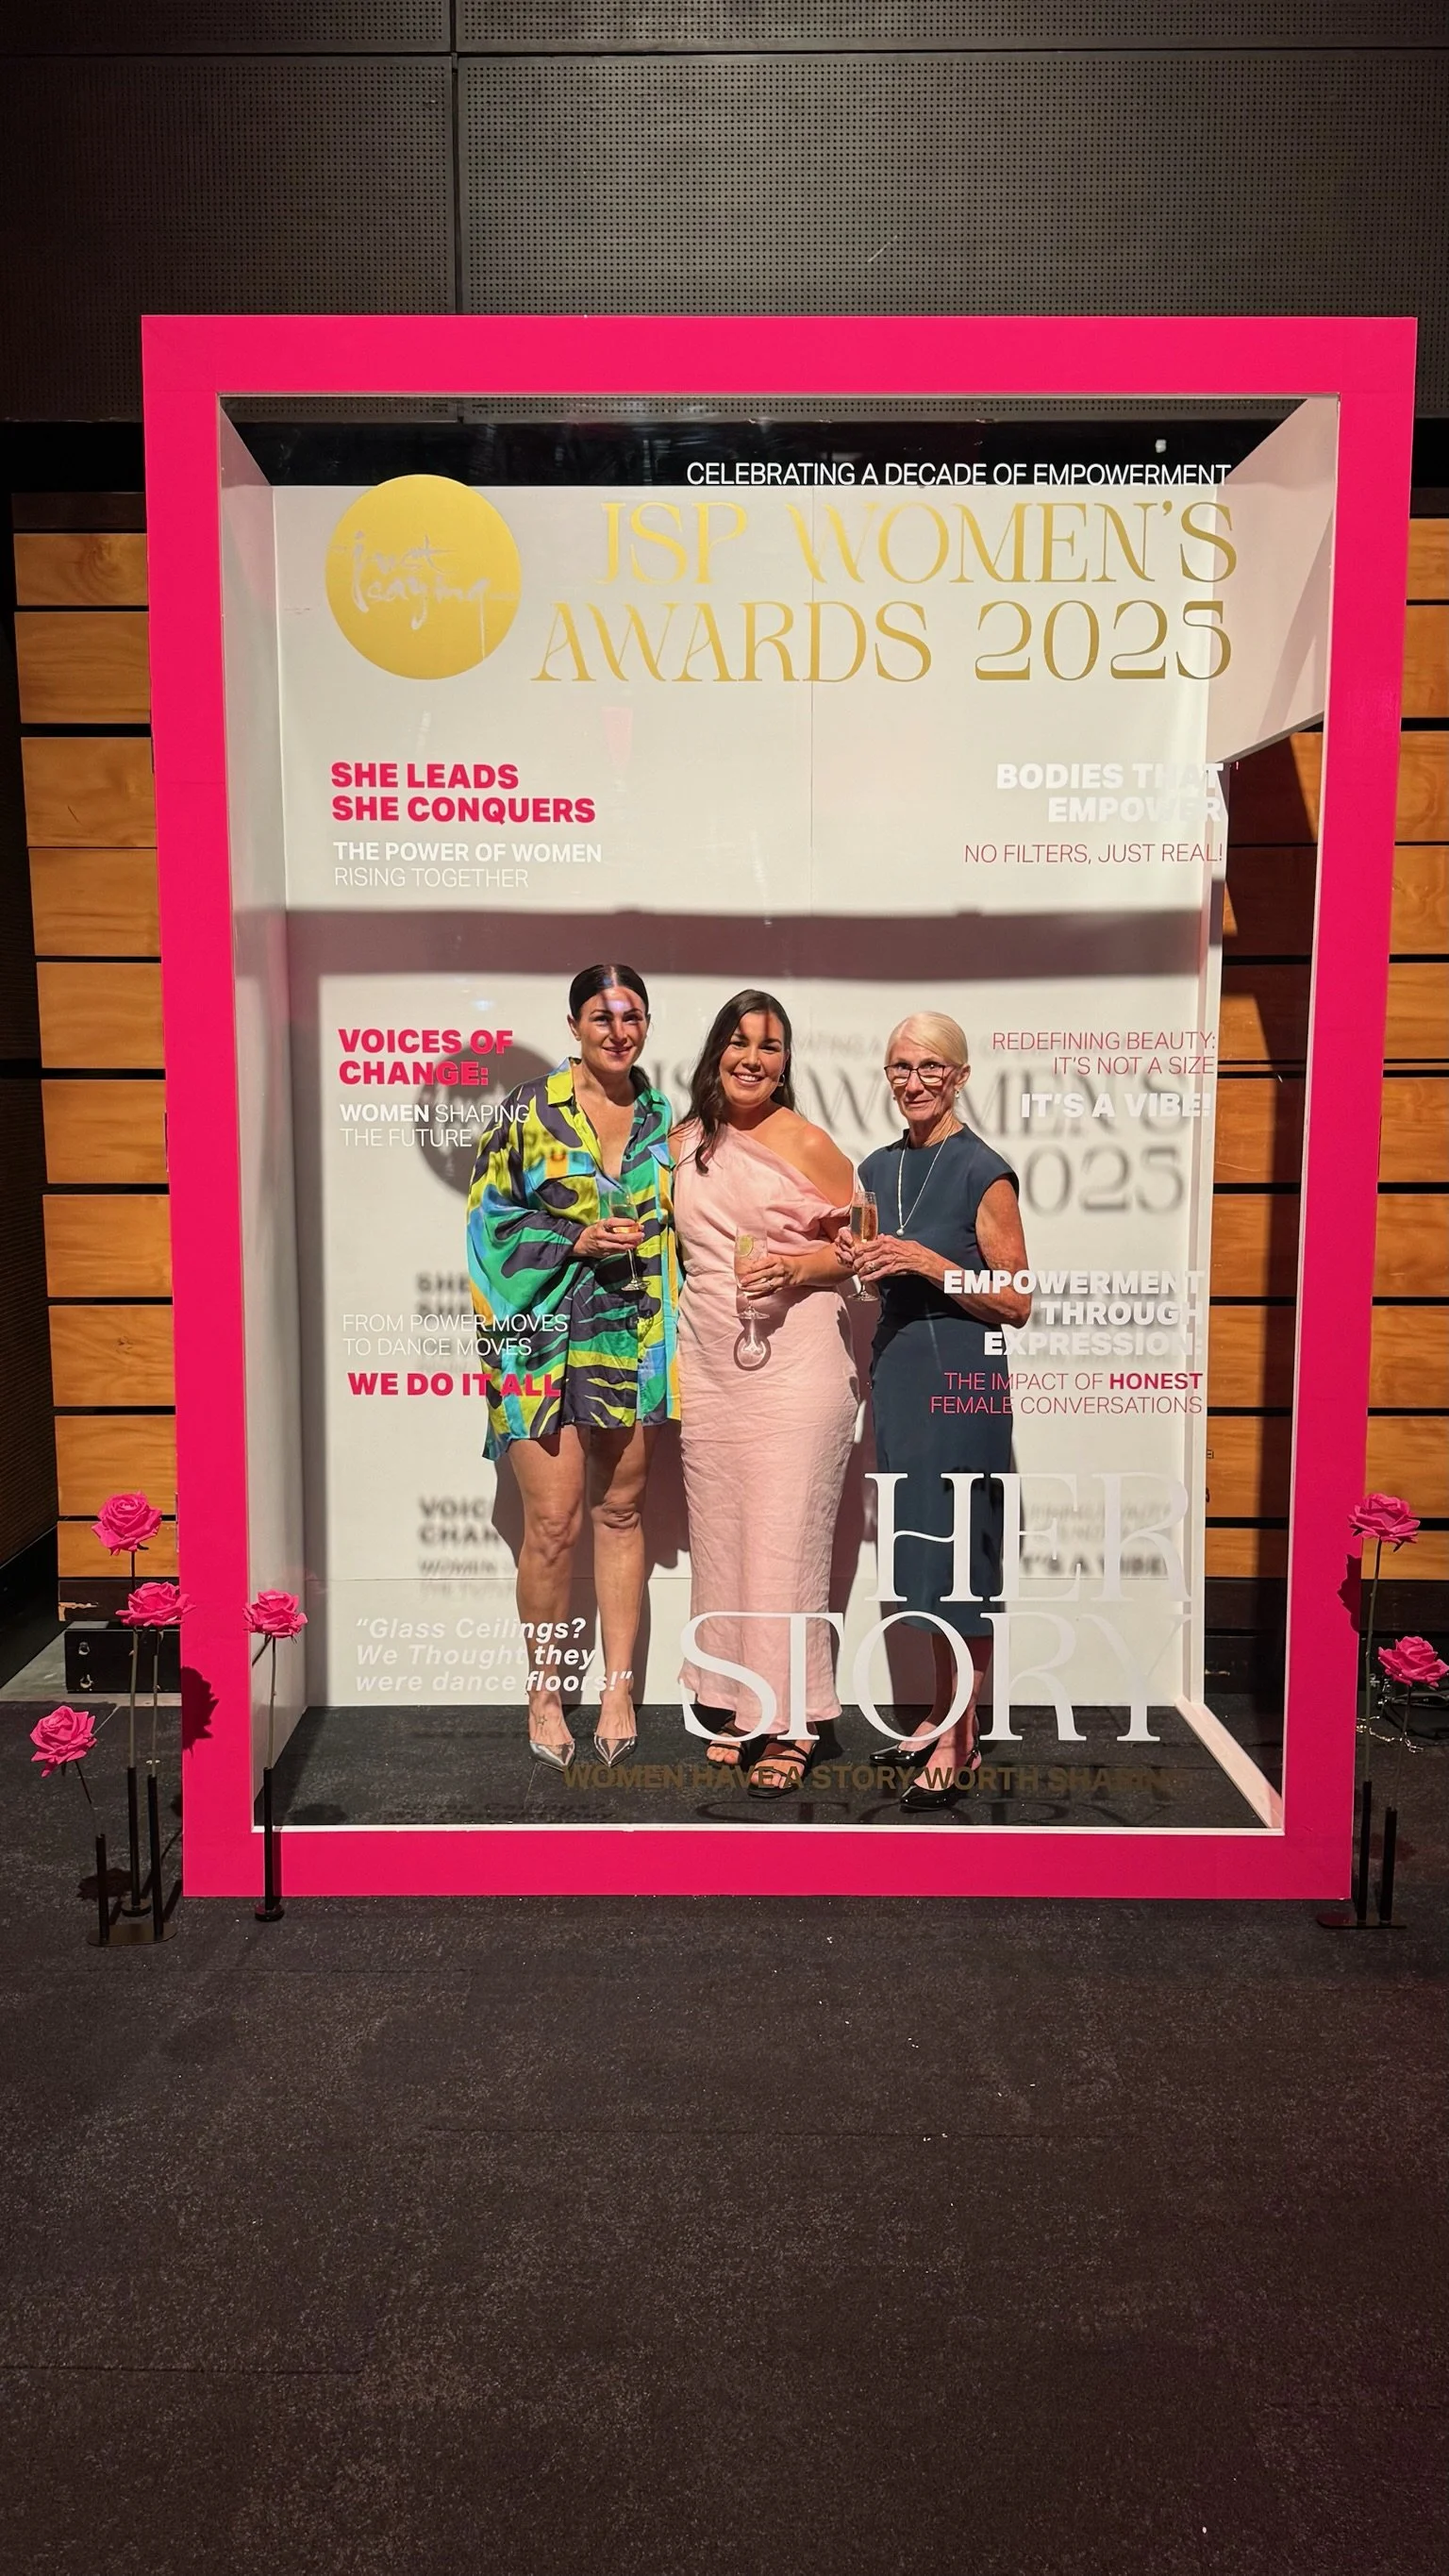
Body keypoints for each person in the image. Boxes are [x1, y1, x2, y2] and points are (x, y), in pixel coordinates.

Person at [466, 964, 679, 1770]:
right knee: (553, 1526)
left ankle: (618, 1689)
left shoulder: (665, 1120)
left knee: (620, 1513)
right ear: (574, 1025)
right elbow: (486, 1227)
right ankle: (545, 1692)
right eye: (602, 1016)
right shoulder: (527, 1112)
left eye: (633, 1017)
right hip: (536, 1340)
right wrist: (574, 1239)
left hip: (633, 1335)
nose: (618, 1032)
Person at [672, 989, 858, 1801]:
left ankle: (793, 1726)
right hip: (713, 1370)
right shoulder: (683, 1144)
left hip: (797, 1367)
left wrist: (795, 1266)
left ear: (785, 1064)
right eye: (740, 1041)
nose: (753, 1058)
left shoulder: (807, 1142)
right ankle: (741, 1701)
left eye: (771, 1046)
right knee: (725, 1541)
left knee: (785, 1545)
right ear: (717, 1050)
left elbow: (861, 1248)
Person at [850, 1013, 1031, 1809]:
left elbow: (1017, 1301)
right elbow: (869, 1278)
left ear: (959, 1076)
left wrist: (928, 1261)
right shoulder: (875, 1168)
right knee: (923, 1554)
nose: (914, 1081)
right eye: (900, 1067)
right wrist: (860, 1263)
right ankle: (940, 1709)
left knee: (962, 1558)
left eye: (930, 1067)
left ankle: (961, 1735)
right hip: (898, 1373)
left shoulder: (982, 1170)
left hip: (963, 1373)